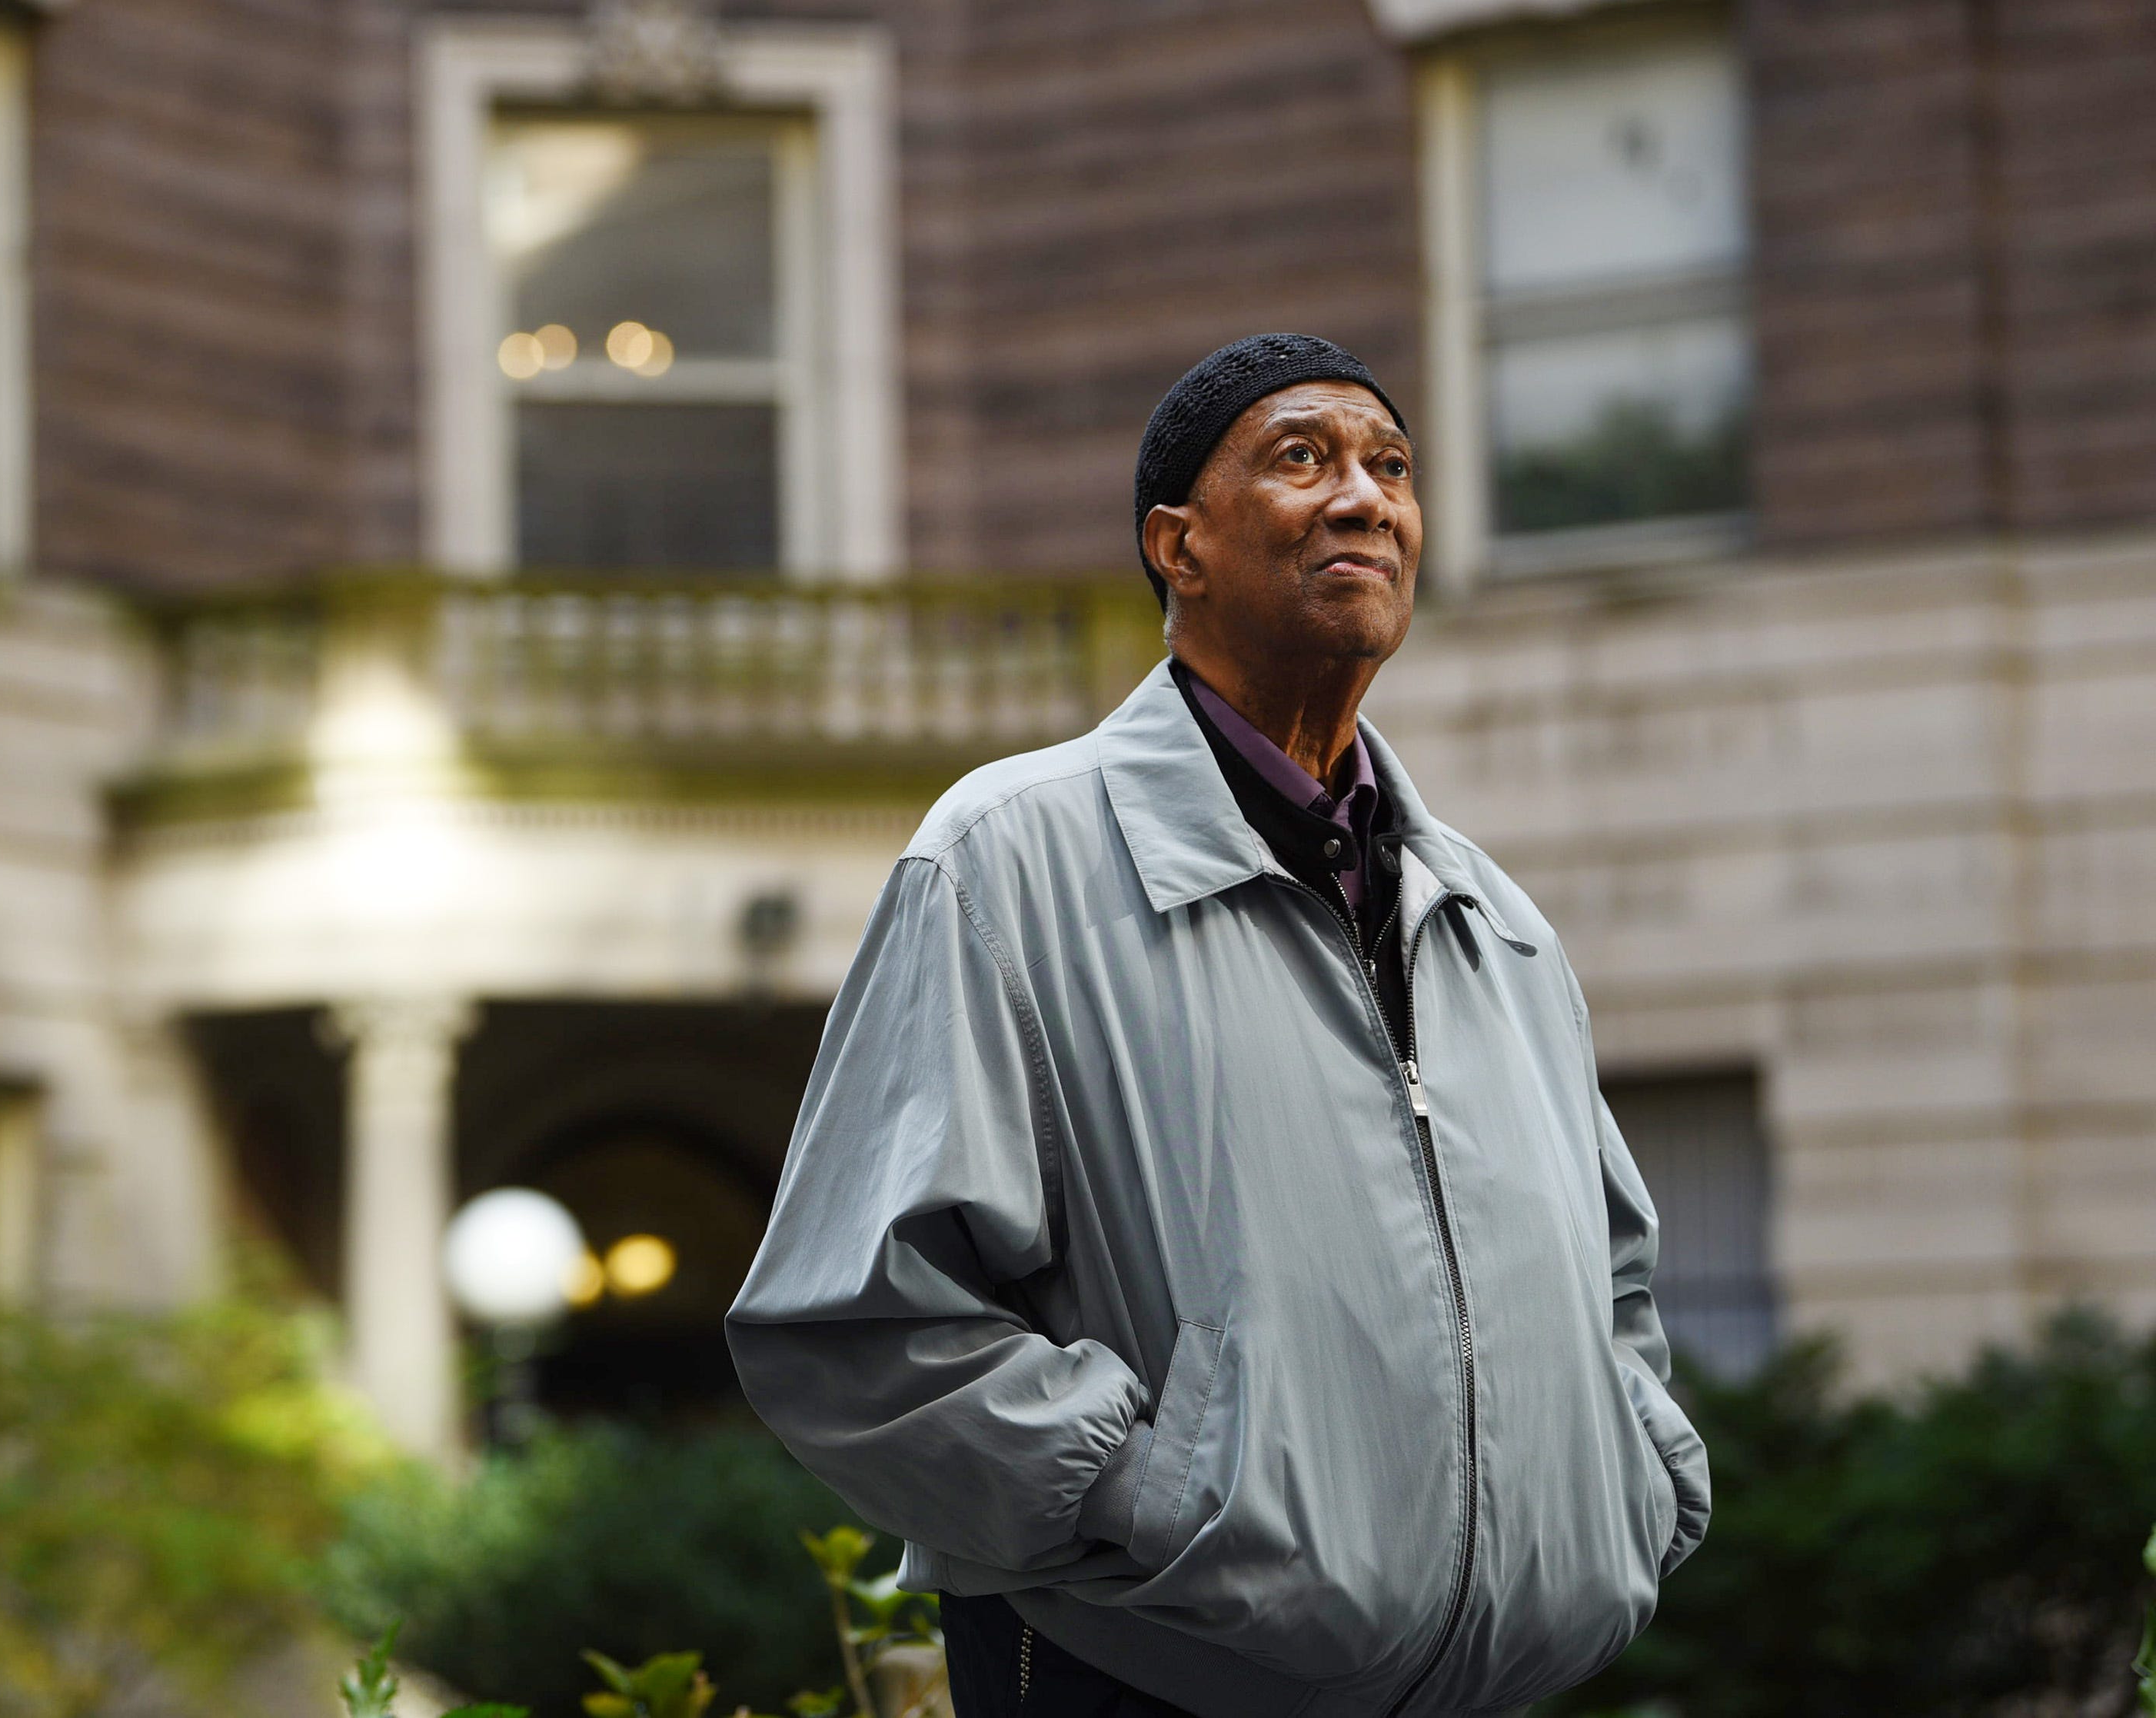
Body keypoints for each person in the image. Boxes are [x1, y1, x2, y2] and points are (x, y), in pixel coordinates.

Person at [729, 335, 1708, 1717]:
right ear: (1177, 548)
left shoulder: (1497, 922)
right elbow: (854, 1321)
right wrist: (1155, 1502)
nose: (1365, 497)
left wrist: (1631, 1486)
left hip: (1486, 1692)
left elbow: (1610, 1283)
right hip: (1136, 1675)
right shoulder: (1008, 861)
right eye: (1304, 458)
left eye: (1393, 466)